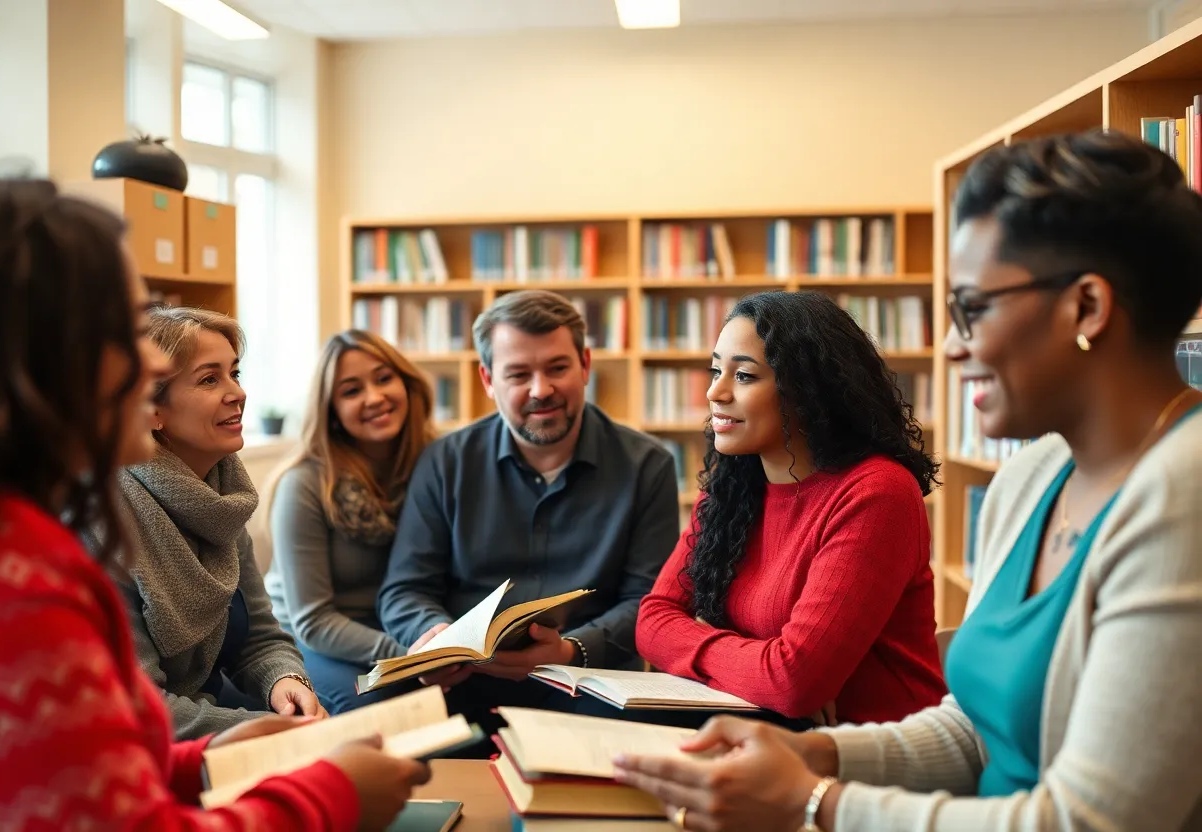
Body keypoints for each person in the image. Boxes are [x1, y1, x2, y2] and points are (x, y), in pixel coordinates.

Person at [613, 130, 1202, 831]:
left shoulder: (1182, 497)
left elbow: (1090, 821)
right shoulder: (1030, 479)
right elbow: (970, 730)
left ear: (1087, 308)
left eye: (972, 309)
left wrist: (811, 800)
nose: (952, 345)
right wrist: (817, 753)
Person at [0, 177, 429, 829]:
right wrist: (329, 794)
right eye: (127, 331)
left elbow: (93, 757)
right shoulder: (24, 581)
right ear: (49, 357)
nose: (147, 363)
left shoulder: (36, 540)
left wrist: (208, 756)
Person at [635, 290, 946, 728]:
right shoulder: (732, 488)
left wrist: (726, 657)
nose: (714, 392)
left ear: (807, 390)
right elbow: (651, 621)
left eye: (743, 376)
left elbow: (794, 683)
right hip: (770, 732)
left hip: (873, 757)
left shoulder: (876, 493)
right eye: (715, 370)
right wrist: (761, 669)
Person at [378, 289, 680, 728]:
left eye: (557, 367)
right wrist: (434, 637)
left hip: (591, 682)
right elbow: (405, 588)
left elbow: (650, 601)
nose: (542, 389)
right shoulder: (445, 462)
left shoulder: (648, 465)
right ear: (487, 380)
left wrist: (570, 650)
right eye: (519, 374)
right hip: (464, 684)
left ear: (586, 366)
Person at [100, 306, 324, 740]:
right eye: (209, 379)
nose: (237, 393)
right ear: (153, 411)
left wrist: (287, 683)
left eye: (234, 374)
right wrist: (270, 730)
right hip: (151, 745)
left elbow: (262, 638)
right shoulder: (108, 517)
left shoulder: (221, 495)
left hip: (216, 717)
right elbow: (140, 706)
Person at [265, 330, 438, 714]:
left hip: (401, 629)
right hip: (310, 637)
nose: (374, 398)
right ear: (331, 411)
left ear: (406, 384)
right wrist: (411, 657)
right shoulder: (304, 484)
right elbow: (312, 620)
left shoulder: (434, 465)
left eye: (383, 378)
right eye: (351, 390)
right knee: (376, 707)